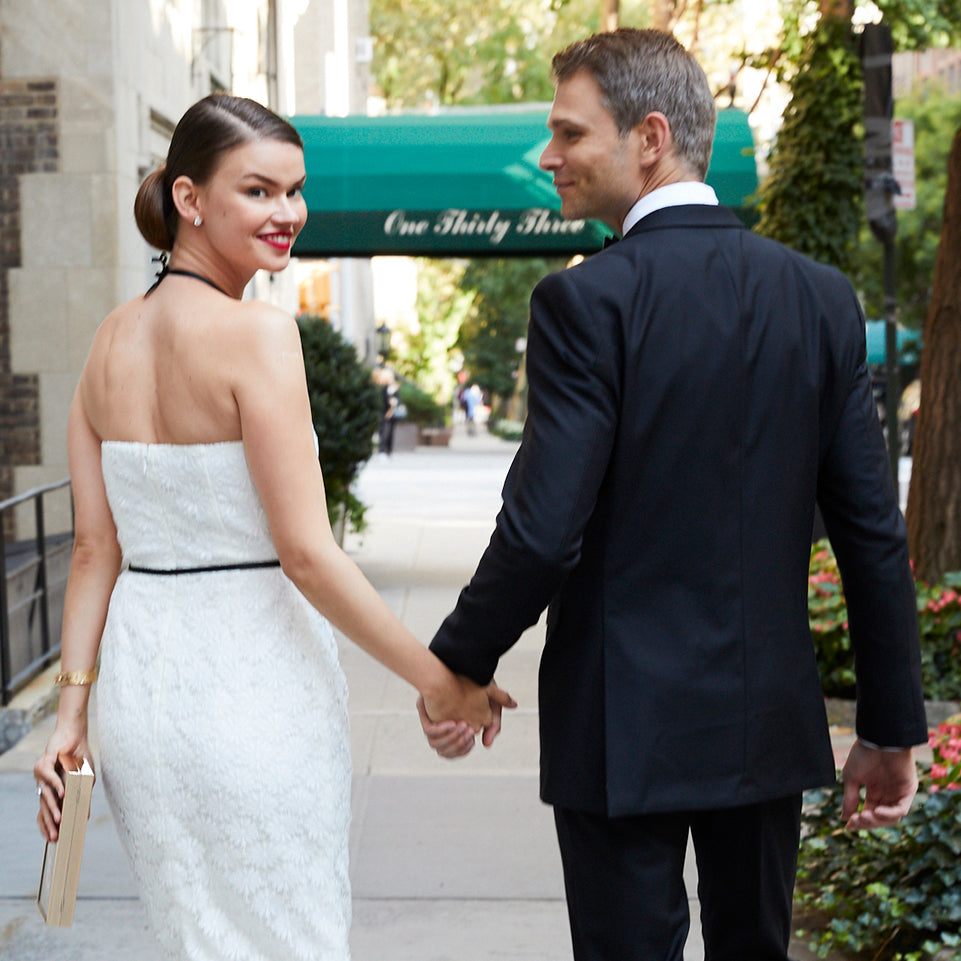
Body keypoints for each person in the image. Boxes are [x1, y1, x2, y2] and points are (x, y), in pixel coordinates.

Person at [419, 28, 927, 961]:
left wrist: (457, 661)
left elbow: (541, 532)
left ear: (647, 137)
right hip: (763, 721)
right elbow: (870, 534)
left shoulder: (585, 302)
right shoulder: (818, 298)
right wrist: (894, 724)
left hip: (621, 726)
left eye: (570, 134)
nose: (550, 155)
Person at [33, 93, 511, 961]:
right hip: (255, 687)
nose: (287, 213)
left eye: (294, 191)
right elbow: (305, 554)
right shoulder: (257, 333)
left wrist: (72, 716)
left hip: (143, 704)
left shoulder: (107, 342)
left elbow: (96, 550)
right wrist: (439, 681)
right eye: (258, 191)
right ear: (189, 198)